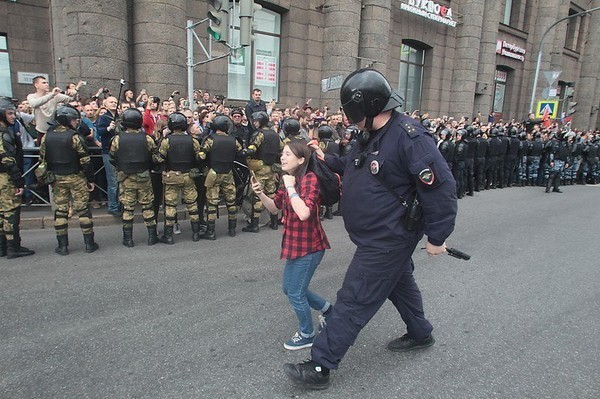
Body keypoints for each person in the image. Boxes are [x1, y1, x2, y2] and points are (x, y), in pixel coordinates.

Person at [283, 69, 457, 390]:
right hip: (377, 236)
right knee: (398, 283)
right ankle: (421, 333)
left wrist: (437, 236)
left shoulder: (409, 137)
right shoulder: (371, 133)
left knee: (354, 297)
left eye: (352, 111)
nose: (350, 118)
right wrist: (325, 157)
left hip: (387, 238)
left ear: (370, 106)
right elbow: (354, 167)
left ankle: (321, 365)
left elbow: (441, 189)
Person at [250, 140, 332, 350]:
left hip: (311, 246)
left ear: (301, 159)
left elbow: (304, 213)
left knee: (296, 292)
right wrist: (260, 193)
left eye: (287, 154)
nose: (282, 157)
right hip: (295, 244)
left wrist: (290, 187)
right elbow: (275, 208)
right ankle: (329, 311)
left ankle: (307, 334)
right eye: (282, 153)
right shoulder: (290, 179)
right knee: (290, 289)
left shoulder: (309, 179)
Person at [38, 105, 99, 255]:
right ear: (65, 120)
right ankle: (89, 244)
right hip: (76, 177)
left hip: (57, 179)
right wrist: (90, 179)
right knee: (83, 210)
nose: (76, 122)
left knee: (60, 212)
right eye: (73, 120)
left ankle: (62, 246)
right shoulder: (74, 137)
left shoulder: (47, 136)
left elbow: (42, 159)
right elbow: (85, 160)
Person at [109, 108, 161, 247]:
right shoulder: (147, 138)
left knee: (128, 208)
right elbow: (156, 157)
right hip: (144, 176)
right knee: (147, 206)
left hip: (126, 178)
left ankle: (128, 239)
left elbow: (112, 157)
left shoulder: (118, 138)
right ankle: (152, 237)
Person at [156, 112, 203, 244]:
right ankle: (195, 233)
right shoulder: (192, 140)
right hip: (188, 176)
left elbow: (159, 158)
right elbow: (199, 157)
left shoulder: (167, 141)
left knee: (170, 205)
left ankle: (168, 236)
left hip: (172, 177)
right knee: (192, 205)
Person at [198, 115, 244, 239]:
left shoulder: (210, 139)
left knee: (212, 202)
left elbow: (201, 156)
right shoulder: (233, 140)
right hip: (228, 173)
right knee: (231, 201)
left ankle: (211, 232)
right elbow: (241, 153)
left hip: (213, 173)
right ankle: (232, 229)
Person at [0, 97, 35, 259]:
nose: (13, 116)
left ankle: (3, 247)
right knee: (10, 212)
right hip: (6, 179)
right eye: (9, 113)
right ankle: (13, 247)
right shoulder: (4, 134)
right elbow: (8, 161)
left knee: (2, 213)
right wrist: (19, 181)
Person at [243, 111, 283, 232]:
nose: (254, 123)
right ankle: (274, 222)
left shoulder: (259, 134)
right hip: (272, 169)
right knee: (272, 195)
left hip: (260, 169)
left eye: (256, 121)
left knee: (258, 195)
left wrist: (244, 152)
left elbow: (253, 148)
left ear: (261, 121)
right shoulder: (275, 134)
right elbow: (282, 148)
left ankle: (254, 224)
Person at [95, 96, 121, 215]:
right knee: (113, 181)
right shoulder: (103, 118)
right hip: (108, 151)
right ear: (105, 104)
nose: (114, 104)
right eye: (111, 102)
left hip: (120, 151)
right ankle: (113, 206)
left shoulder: (119, 117)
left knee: (120, 180)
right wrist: (108, 128)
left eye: (115, 102)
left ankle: (120, 204)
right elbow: (99, 131)